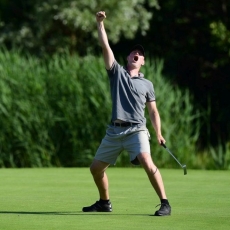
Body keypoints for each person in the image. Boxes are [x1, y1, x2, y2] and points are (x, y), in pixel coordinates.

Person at [82, 11, 171, 216]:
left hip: (137, 130)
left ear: (143, 62)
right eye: (133, 52)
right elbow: (105, 46)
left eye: (139, 54)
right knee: (95, 169)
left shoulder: (147, 84)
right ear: (128, 57)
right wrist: (99, 24)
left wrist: (158, 133)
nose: (135, 54)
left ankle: (165, 203)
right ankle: (105, 203)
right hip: (114, 131)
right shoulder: (116, 73)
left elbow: (153, 111)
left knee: (147, 161)